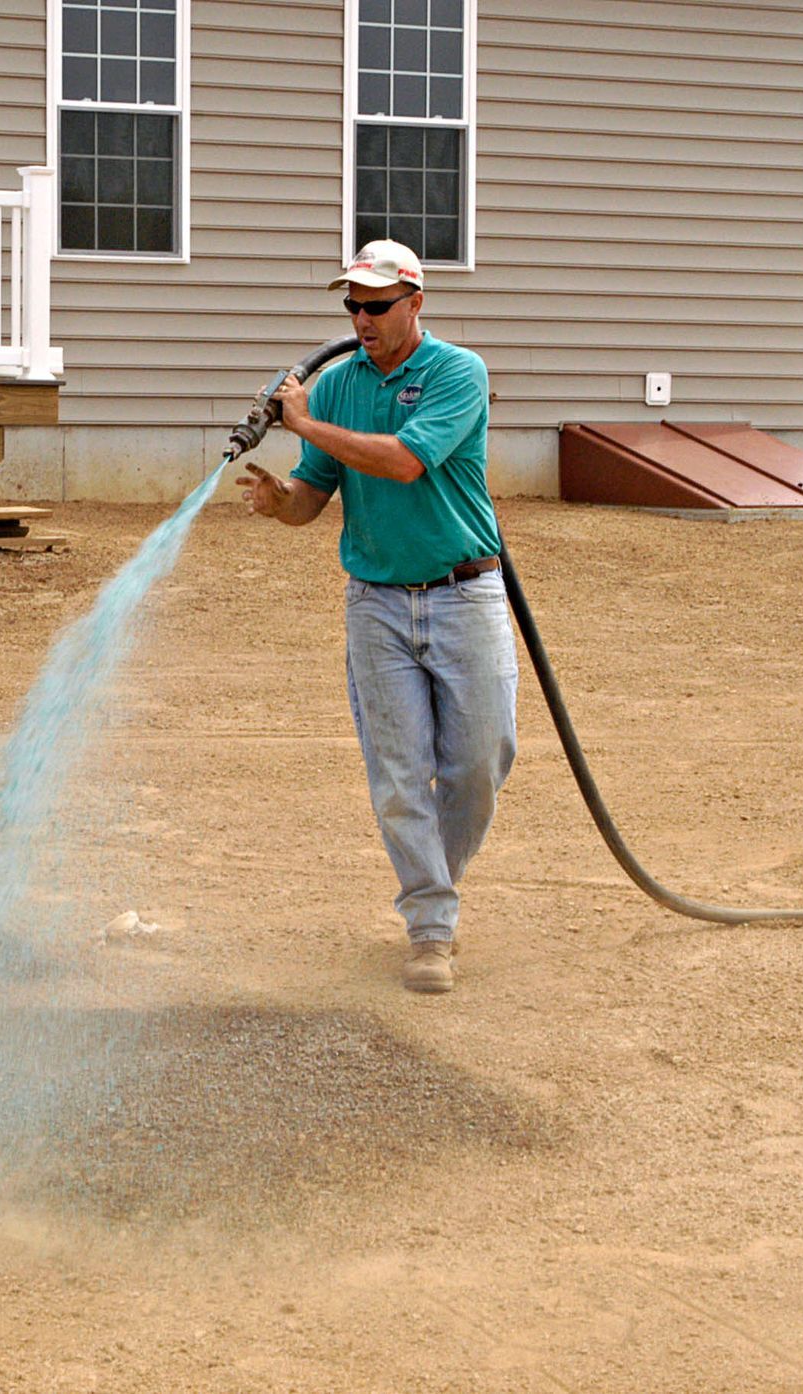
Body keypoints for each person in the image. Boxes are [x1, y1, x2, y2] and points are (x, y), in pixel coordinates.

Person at [238, 239, 517, 995]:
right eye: (352, 306)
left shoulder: (459, 373)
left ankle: (435, 884)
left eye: (376, 305)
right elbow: (314, 494)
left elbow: (401, 461)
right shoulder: (335, 390)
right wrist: (280, 505)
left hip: (466, 592)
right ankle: (432, 927)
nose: (360, 318)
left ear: (415, 303)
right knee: (399, 779)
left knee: (481, 763)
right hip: (377, 606)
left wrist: (302, 422)